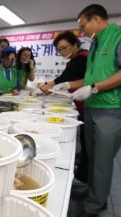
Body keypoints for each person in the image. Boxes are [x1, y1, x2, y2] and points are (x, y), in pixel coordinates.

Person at [54, 4, 121, 217]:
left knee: (102, 160)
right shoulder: (95, 44)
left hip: (112, 109)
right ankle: (92, 190)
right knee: (92, 156)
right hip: (93, 109)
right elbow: (92, 79)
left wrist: (93, 88)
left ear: (96, 19)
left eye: (83, 26)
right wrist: (69, 85)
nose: (82, 31)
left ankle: (95, 205)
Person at [39, 31, 89, 183]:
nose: (62, 52)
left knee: (87, 142)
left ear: (75, 44)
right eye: (59, 50)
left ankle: (82, 177)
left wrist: (45, 88)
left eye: (64, 48)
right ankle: (81, 167)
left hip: (87, 102)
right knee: (84, 138)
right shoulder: (75, 59)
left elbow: (64, 78)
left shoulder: (81, 58)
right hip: (79, 102)